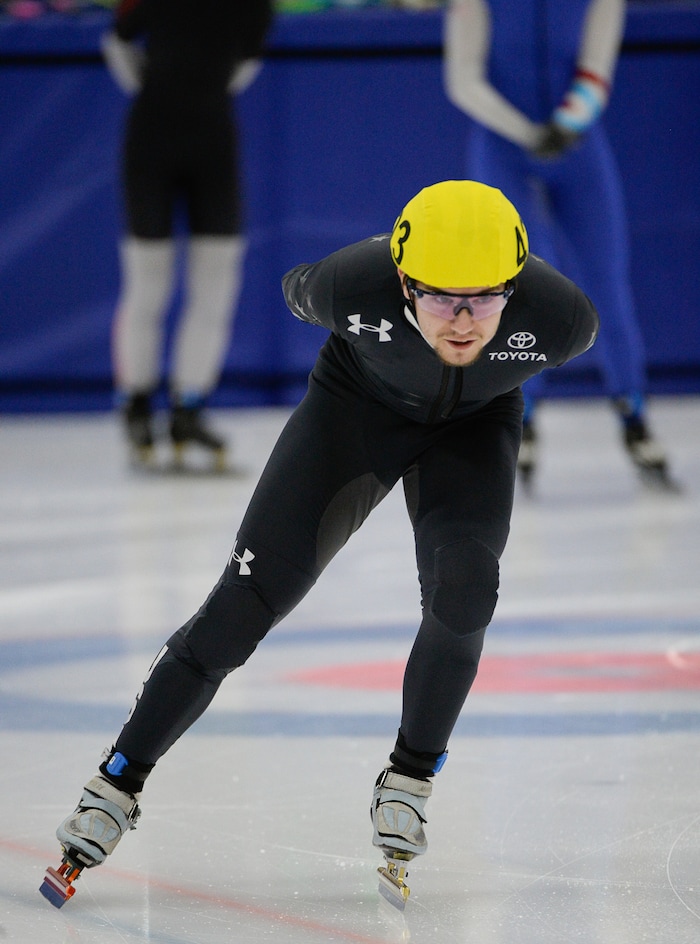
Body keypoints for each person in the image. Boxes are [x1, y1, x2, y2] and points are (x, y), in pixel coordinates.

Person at [44, 180, 598, 909]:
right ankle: (117, 782)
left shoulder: (561, 320)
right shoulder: (345, 287)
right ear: (401, 278)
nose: (463, 322)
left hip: (473, 431)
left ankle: (410, 778)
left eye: (486, 298)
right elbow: (291, 288)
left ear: (516, 283)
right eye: (438, 297)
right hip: (353, 416)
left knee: (467, 590)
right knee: (243, 606)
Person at [444, 0, 676, 489]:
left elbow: (597, 65)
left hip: (576, 143)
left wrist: (567, 125)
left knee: (606, 283)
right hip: (504, 144)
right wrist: (528, 133)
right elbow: (464, 80)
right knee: (517, 285)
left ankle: (633, 413)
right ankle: (520, 417)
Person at [102, 0, 273, 470]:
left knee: (216, 282)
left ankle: (189, 405)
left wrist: (190, 91)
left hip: (211, 142)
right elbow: (116, 39)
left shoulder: (257, 6)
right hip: (153, 141)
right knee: (148, 280)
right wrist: (157, 89)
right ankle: (137, 402)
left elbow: (247, 61)